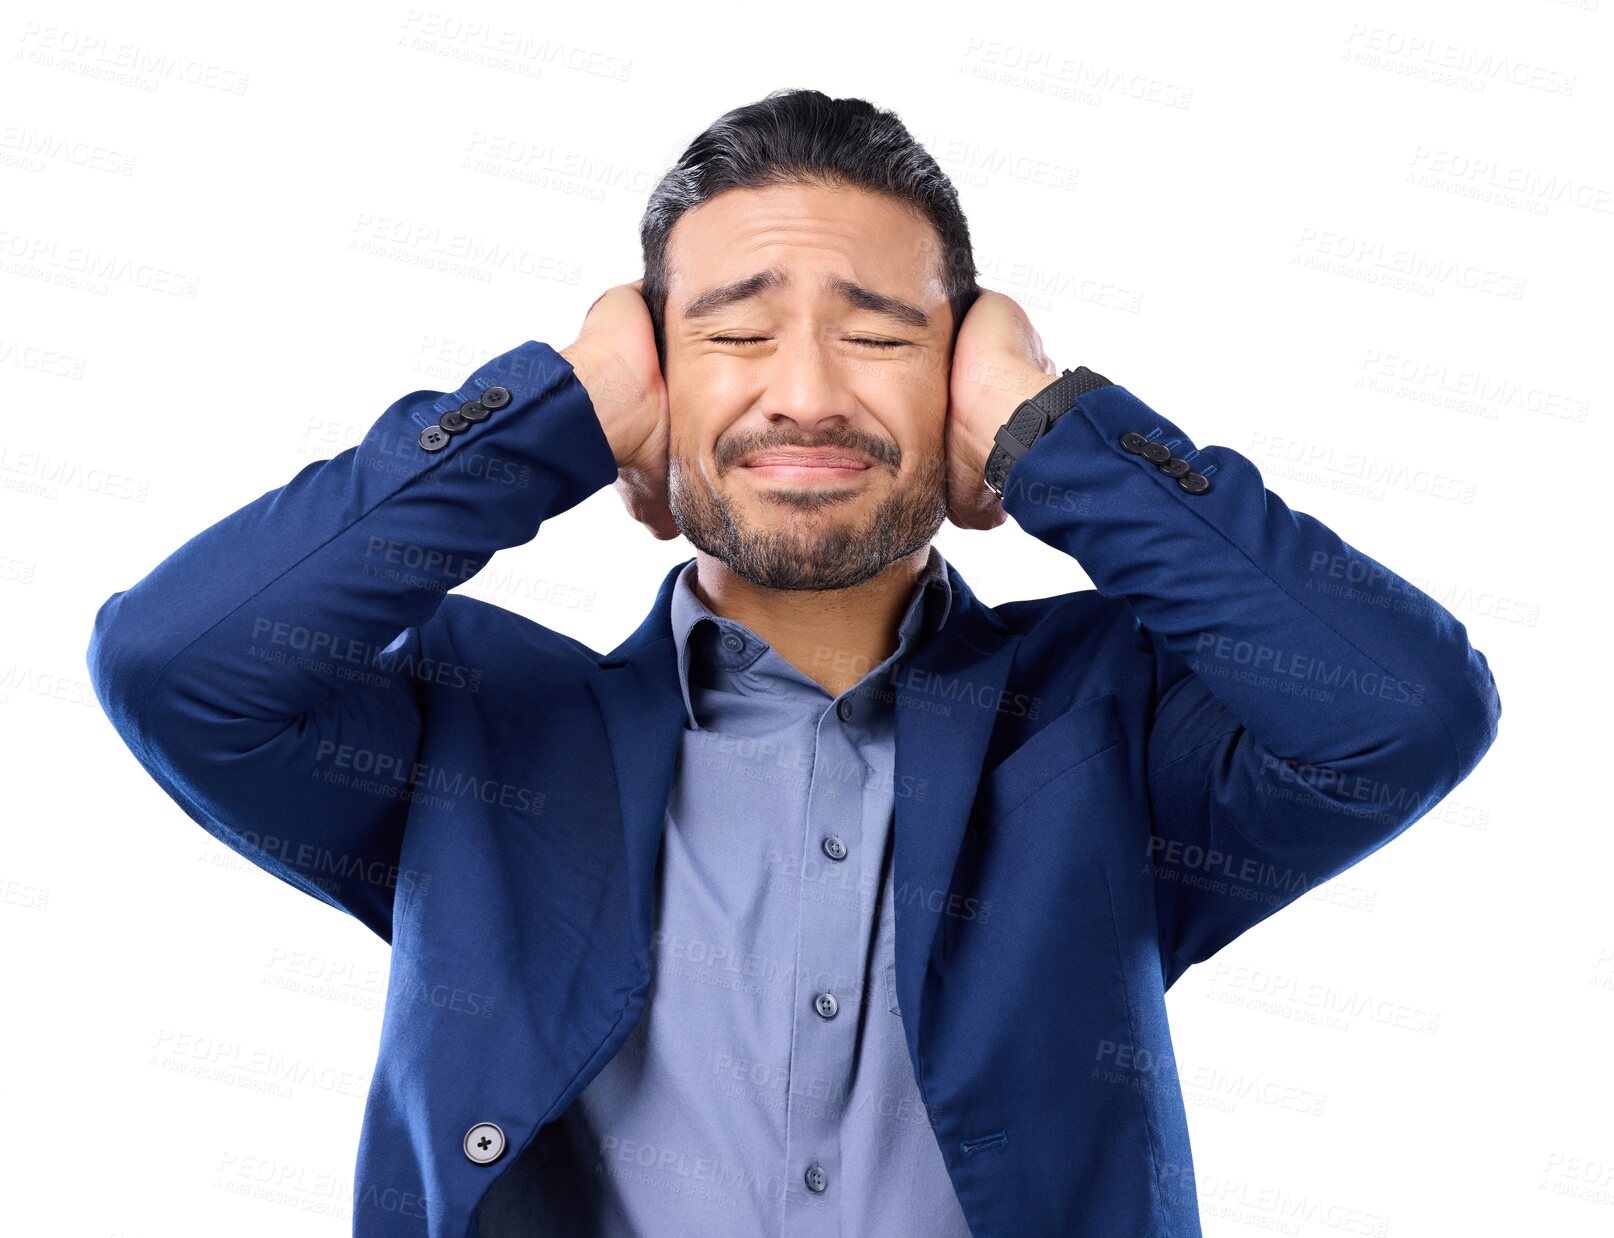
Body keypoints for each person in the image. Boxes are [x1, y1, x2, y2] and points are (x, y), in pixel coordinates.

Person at [86, 89, 1501, 1237]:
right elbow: (174, 662)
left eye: (883, 335)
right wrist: (550, 414)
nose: (809, 391)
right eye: (734, 335)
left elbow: (1403, 709)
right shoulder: (475, 735)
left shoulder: (1107, 724)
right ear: (642, 438)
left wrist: (1050, 429)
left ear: (960, 414)